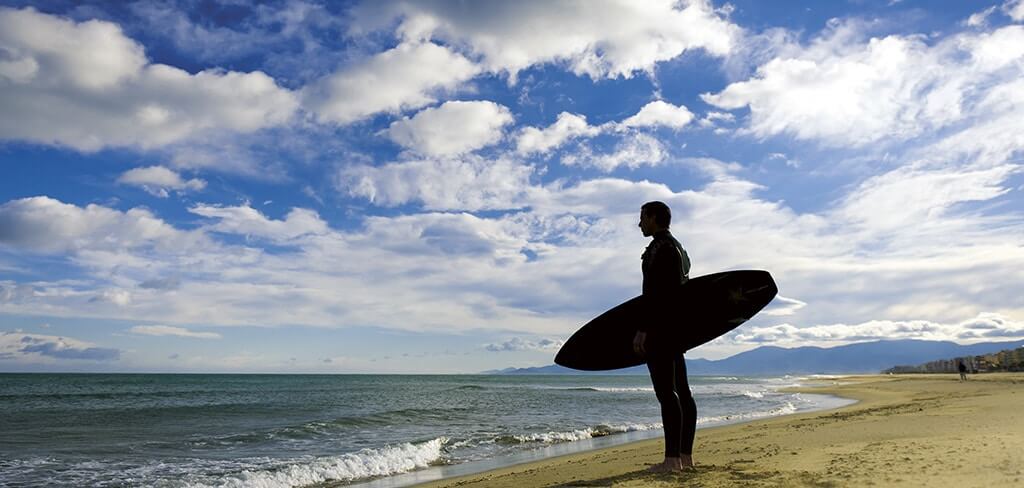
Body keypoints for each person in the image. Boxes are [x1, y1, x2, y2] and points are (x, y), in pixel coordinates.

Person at [632, 201, 695, 473]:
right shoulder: (678, 248)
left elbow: (658, 294)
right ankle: (684, 457)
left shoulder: (661, 248)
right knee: (681, 391)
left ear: (654, 218)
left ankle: (671, 461)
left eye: (642, 217)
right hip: (676, 328)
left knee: (667, 393)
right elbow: (684, 291)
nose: (640, 223)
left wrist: (644, 328)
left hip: (661, 329)